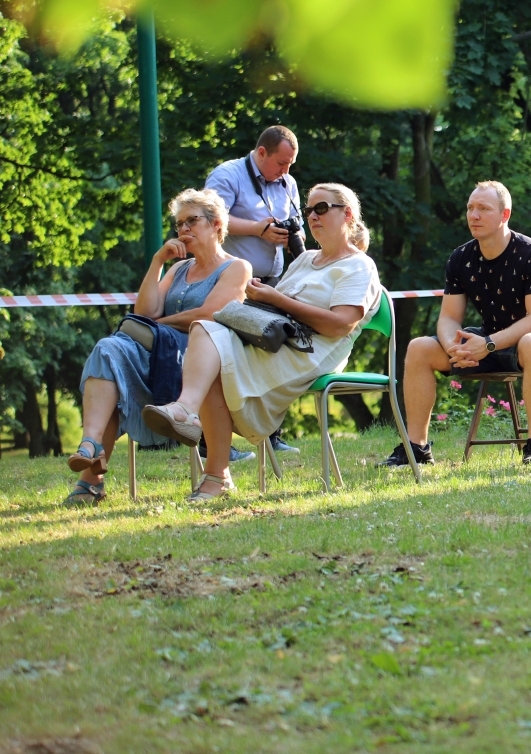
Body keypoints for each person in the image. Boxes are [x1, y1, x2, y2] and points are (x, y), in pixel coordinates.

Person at [142, 184, 383, 501]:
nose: (313, 217)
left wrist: (274, 297)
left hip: (312, 349)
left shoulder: (359, 265)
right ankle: (189, 416)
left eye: (321, 209)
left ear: (347, 214)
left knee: (214, 351)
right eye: (308, 211)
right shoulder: (306, 259)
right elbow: (274, 312)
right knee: (204, 327)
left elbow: (340, 325)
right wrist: (260, 298)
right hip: (276, 338)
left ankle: (212, 467)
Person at [64, 190, 251, 505]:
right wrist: (157, 261)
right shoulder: (178, 270)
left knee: (114, 360)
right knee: (108, 351)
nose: (183, 231)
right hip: (161, 353)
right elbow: (145, 314)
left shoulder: (236, 267)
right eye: (179, 224)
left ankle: (91, 480)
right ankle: (90, 444)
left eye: (192, 221)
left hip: (202, 359)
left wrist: (161, 323)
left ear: (216, 224)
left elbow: (210, 314)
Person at [393, 182, 531, 467]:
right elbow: (448, 318)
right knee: (420, 347)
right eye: (470, 208)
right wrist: (452, 347)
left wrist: (488, 344)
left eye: (483, 209)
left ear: (504, 214)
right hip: (489, 342)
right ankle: (417, 448)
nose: (474, 215)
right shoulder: (461, 258)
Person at [205, 125, 306, 455]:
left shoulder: (287, 182)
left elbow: (295, 226)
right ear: (261, 153)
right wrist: (260, 230)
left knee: (272, 355)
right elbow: (211, 219)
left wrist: (303, 255)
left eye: (291, 164)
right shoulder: (228, 174)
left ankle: (271, 436)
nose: (286, 171)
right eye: (281, 163)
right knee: (223, 356)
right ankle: (212, 440)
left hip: (272, 283)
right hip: (232, 282)